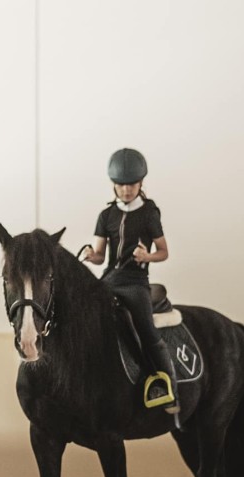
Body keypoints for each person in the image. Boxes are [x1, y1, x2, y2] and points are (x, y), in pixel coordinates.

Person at [83, 148, 179, 414]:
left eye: (132, 184)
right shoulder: (106, 216)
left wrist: (147, 256)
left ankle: (167, 385)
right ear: (114, 185)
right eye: (121, 185)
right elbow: (101, 255)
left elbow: (164, 251)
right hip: (109, 279)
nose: (126, 190)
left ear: (140, 184)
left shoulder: (149, 213)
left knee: (148, 332)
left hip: (135, 282)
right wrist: (91, 256)